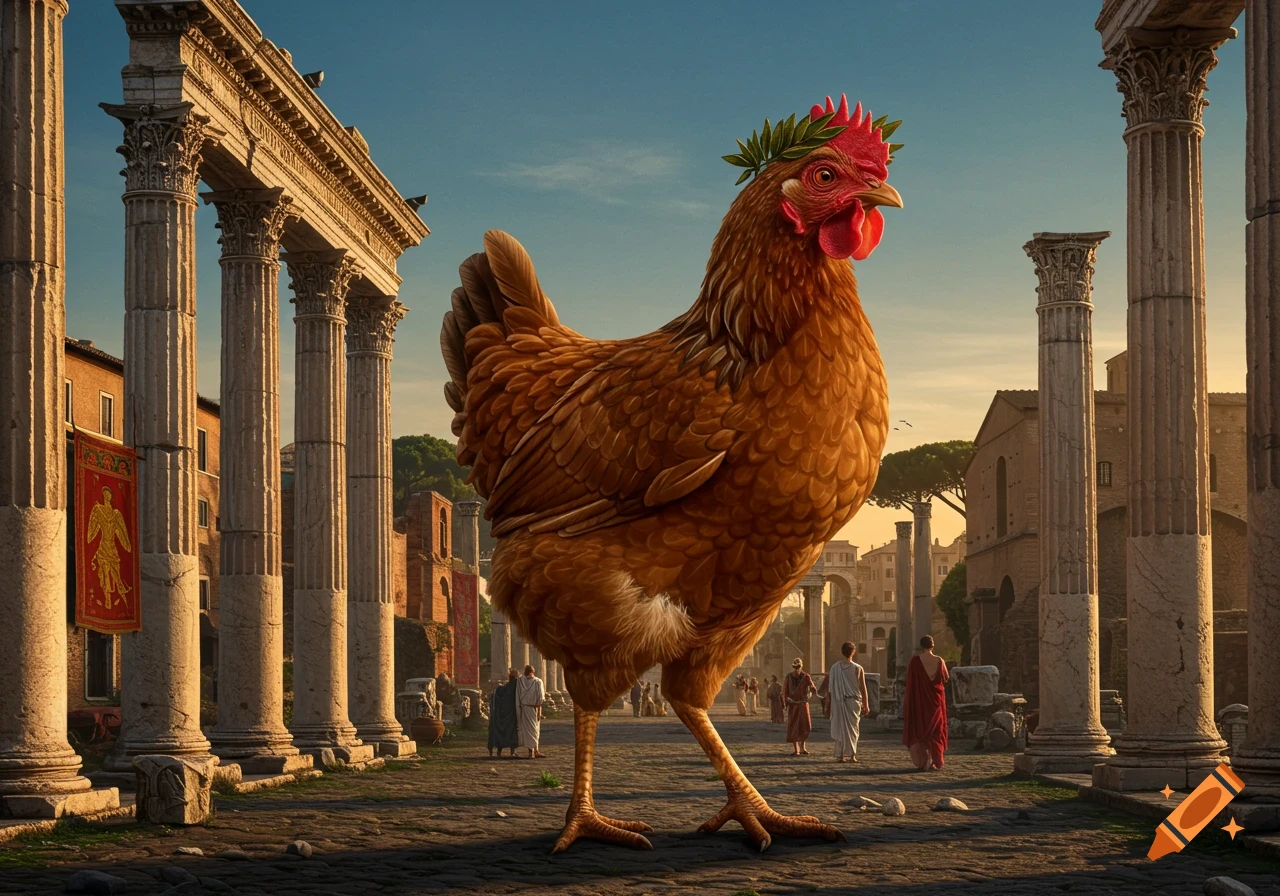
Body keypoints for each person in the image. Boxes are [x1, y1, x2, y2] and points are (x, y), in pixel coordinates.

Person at [902, 635, 950, 770]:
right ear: (932, 645)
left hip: (920, 701)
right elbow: (945, 677)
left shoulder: (915, 661)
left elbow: (910, 682)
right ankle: (935, 762)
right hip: (936, 701)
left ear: (921, 645)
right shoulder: (939, 660)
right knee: (936, 731)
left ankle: (924, 761)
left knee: (921, 729)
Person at [827, 642, 870, 763]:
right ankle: (851, 755)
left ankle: (841, 755)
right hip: (852, 701)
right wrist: (866, 704)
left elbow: (830, 689)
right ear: (853, 652)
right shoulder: (857, 668)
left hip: (840, 702)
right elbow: (863, 688)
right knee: (853, 730)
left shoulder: (835, 668)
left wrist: (828, 704)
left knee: (842, 728)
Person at [784, 658, 816, 755]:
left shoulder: (806, 677)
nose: (797, 669)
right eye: (795, 667)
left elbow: (812, 687)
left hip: (803, 704)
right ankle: (796, 749)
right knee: (794, 726)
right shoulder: (789, 677)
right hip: (793, 705)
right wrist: (786, 701)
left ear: (801, 667)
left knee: (804, 726)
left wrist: (812, 689)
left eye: (798, 667)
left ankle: (802, 748)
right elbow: (785, 691)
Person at [488, 669, 520, 758]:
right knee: (511, 731)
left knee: (501, 731)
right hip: (511, 713)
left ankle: (499, 751)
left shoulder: (502, 689)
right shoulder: (516, 686)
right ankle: (512, 752)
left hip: (501, 714)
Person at [516, 663, 546, 759]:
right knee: (534, 730)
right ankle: (533, 751)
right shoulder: (538, 681)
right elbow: (540, 698)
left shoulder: (519, 681)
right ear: (532, 672)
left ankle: (534, 750)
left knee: (528, 731)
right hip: (534, 708)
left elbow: (517, 696)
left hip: (524, 708)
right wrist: (539, 710)